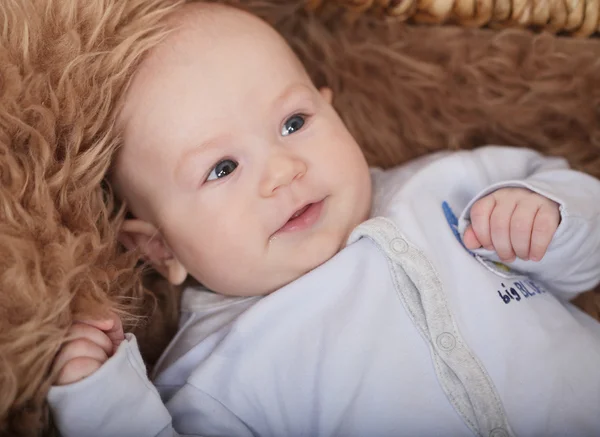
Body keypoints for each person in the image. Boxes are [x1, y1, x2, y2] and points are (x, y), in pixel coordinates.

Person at [46, 3, 600, 436]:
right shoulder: (217, 370)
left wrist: (547, 213)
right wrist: (105, 407)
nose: (283, 171)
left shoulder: (448, 184)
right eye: (222, 168)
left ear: (332, 109)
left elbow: (586, 254)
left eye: (293, 123)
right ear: (160, 250)